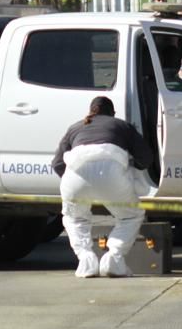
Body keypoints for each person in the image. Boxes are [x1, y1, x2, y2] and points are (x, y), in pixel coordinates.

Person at [52, 96, 154, 277]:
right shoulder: (122, 126)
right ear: (112, 113)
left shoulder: (75, 127)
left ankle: (86, 261)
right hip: (111, 172)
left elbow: (58, 164)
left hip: (75, 174)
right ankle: (113, 259)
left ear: (90, 110)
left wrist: (78, 185)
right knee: (131, 216)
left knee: (75, 218)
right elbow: (145, 157)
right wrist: (131, 170)